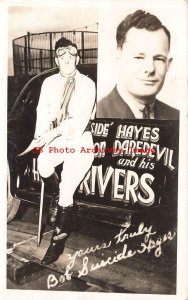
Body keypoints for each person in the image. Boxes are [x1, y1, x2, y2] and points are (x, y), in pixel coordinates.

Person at [34, 37, 96, 265]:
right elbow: (42, 111)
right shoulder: (49, 83)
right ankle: (57, 195)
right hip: (58, 138)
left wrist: (52, 134)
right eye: (63, 57)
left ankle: (56, 244)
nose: (67, 60)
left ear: (77, 58)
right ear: (56, 60)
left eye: (72, 56)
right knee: (43, 164)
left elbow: (78, 123)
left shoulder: (87, 84)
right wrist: (40, 136)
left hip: (80, 141)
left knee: (68, 186)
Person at [97, 10, 179, 120]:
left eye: (159, 59)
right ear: (117, 57)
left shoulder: (178, 118)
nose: (150, 68)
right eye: (139, 57)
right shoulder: (97, 114)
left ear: (168, 64)